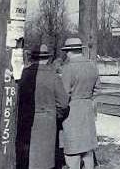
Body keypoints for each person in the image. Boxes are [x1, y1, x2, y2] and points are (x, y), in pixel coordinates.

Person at [17, 44, 69, 169]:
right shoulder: (53, 76)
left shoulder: (24, 74)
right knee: (44, 159)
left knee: (28, 157)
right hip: (47, 122)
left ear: (32, 58)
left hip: (26, 119)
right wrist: (56, 115)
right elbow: (63, 102)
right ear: (47, 59)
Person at [60, 37, 100, 169]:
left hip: (72, 112)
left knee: (73, 150)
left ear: (69, 51)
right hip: (87, 109)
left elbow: (64, 95)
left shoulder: (68, 68)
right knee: (87, 150)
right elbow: (97, 89)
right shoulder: (92, 66)